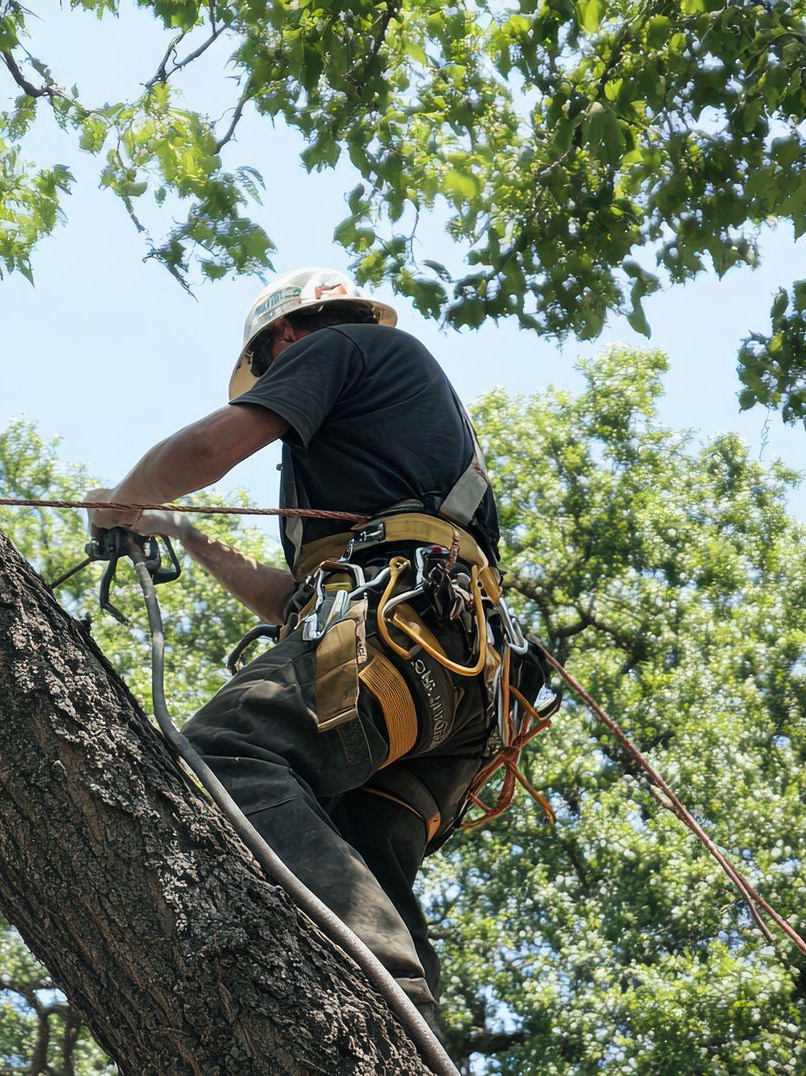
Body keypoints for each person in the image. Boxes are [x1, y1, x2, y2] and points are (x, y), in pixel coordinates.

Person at [87, 267, 548, 1039]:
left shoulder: (338, 344)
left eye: (271, 370)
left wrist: (125, 497)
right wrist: (186, 536)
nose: (276, 382)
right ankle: (411, 1037)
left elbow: (208, 444)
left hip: (393, 638)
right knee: (361, 846)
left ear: (287, 337)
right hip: (453, 679)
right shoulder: (389, 435)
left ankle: (378, 1001)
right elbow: (290, 600)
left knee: (225, 752)